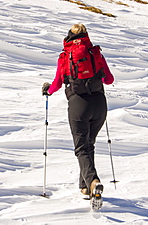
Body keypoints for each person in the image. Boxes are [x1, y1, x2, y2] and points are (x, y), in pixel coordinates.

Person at [42, 23, 114, 207]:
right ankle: (85, 187)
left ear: (68, 37)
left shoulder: (65, 56)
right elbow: (109, 79)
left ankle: (93, 181)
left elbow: (58, 82)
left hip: (78, 104)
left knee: (81, 147)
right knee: (89, 144)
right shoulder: (95, 53)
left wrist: (47, 91)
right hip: (99, 104)